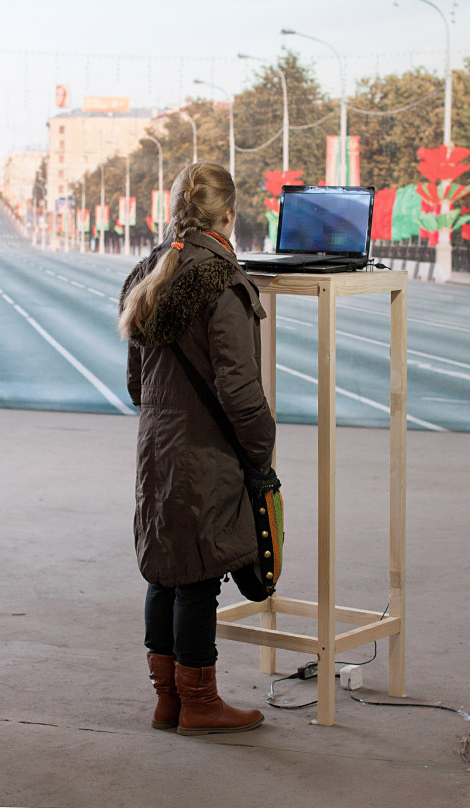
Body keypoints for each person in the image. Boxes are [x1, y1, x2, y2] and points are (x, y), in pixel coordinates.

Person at [118, 162, 275, 736]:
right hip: (204, 451)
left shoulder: (148, 272)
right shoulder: (220, 279)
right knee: (200, 576)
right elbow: (239, 388)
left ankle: (169, 701)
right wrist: (261, 451)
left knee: (165, 572)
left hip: (157, 447)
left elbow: (136, 384)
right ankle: (201, 703)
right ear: (229, 214)